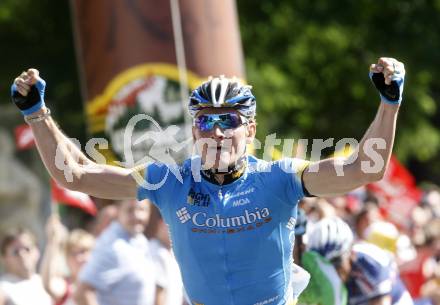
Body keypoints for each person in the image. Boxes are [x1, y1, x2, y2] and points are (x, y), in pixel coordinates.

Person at [11, 57, 404, 305]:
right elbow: (74, 174)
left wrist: (389, 105)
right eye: (206, 121)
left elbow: (363, 169)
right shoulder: (169, 180)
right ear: (195, 130)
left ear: (249, 130)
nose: (217, 132)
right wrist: (36, 115)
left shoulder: (280, 178)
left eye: (228, 120)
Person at [303, 216, 413, 305]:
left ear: (351, 253)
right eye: (326, 265)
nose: (333, 271)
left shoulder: (371, 263)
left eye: (336, 262)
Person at [74, 199, 160, 305]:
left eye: (142, 209)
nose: (137, 216)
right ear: (118, 211)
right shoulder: (112, 246)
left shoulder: (140, 240)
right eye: (130, 210)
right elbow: (81, 293)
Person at [40, 215, 95, 305]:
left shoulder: (101, 286)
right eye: (73, 254)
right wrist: (53, 241)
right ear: (67, 260)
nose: (79, 258)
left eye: (83, 251)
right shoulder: (65, 286)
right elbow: (48, 285)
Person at [0, 228, 52, 305]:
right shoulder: (3, 287)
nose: (22, 255)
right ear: (4, 258)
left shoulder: (45, 281)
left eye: (27, 249)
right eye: (16, 252)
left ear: (37, 251)